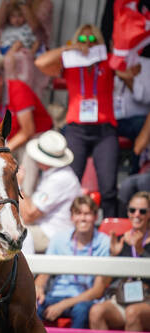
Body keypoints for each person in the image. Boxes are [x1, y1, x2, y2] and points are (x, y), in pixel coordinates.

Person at [35, 24, 125, 218]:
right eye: (83, 40)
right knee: (71, 182)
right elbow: (41, 63)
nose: (87, 44)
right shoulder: (70, 62)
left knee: (108, 188)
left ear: (99, 42)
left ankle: (111, 233)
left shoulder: (107, 61)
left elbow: (127, 69)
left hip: (104, 130)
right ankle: (70, 227)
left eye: (92, 40)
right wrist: (69, 48)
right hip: (77, 130)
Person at [35, 195, 110, 328]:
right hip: (56, 295)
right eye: (78, 213)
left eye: (87, 214)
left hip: (84, 299)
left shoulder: (104, 242)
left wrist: (63, 305)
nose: (82, 218)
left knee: (81, 310)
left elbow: (98, 290)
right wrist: (39, 288)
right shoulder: (58, 239)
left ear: (95, 217)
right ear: (71, 217)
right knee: (33, 306)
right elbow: (44, 274)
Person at [89, 192, 150, 331]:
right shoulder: (121, 240)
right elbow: (105, 281)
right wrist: (113, 256)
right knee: (96, 312)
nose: (136, 214)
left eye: (142, 211)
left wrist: (141, 251)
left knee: (133, 313)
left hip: (147, 299)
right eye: (132, 210)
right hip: (124, 297)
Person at [18, 130, 82, 253]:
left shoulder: (60, 179)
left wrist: (18, 186)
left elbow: (29, 216)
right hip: (47, 229)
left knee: (9, 234)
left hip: (53, 234)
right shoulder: (58, 174)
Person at [0, 64, 52, 157]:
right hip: (10, 139)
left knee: (28, 153)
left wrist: (0, 151)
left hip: (37, 136)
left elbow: (28, 131)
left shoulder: (19, 90)